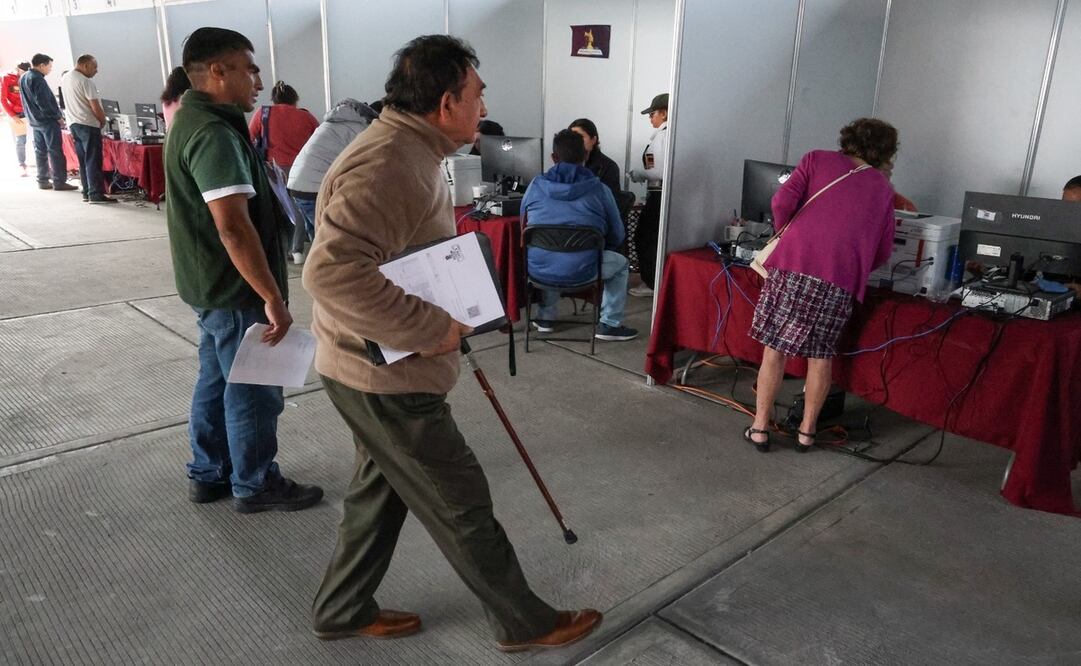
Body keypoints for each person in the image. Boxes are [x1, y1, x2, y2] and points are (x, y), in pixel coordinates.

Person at [303, 34, 601, 650]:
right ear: (445, 103)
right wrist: (432, 327)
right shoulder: (390, 163)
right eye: (477, 92)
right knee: (459, 499)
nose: (483, 104)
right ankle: (525, 622)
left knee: (379, 492)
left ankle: (342, 608)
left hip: (366, 367)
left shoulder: (405, 148)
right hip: (383, 376)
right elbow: (331, 273)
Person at [164, 27, 323, 513]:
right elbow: (232, 226)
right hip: (235, 288)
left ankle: (209, 472)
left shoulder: (195, 119)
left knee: (216, 379)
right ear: (218, 71)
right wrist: (272, 296)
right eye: (248, 68)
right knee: (254, 389)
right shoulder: (213, 133)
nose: (258, 79)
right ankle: (254, 483)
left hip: (208, 283)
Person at [745, 118, 898, 453]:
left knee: (774, 351)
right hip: (839, 280)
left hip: (793, 265)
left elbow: (781, 203)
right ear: (886, 152)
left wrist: (794, 236)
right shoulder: (883, 189)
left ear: (847, 139)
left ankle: (759, 428)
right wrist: (850, 263)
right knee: (821, 356)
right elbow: (884, 249)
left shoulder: (817, 159)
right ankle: (807, 432)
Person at [521, 129, 638, 342]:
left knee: (549, 253)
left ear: (553, 157)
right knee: (620, 264)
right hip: (585, 270)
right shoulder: (600, 190)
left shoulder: (535, 186)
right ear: (585, 155)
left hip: (537, 270)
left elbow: (524, 224)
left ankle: (546, 317)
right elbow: (618, 233)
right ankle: (609, 324)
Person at [286, 98, 378, 262]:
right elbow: (369, 164)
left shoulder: (335, 121)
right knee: (330, 242)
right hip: (314, 187)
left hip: (297, 183)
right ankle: (327, 276)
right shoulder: (362, 129)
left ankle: (319, 270)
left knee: (317, 236)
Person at [627, 93, 668, 297]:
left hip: (660, 195)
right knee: (646, 237)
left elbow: (660, 172)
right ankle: (651, 280)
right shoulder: (659, 136)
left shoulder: (663, 135)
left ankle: (652, 283)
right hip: (655, 192)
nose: (650, 118)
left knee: (646, 238)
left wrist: (638, 173)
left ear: (665, 113)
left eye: (652, 114)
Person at [61, 55, 116, 204]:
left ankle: (86, 192)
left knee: (83, 160)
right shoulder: (86, 81)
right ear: (84, 65)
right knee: (93, 160)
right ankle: (96, 194)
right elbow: (95, 105)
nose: (96, 71)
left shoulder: (66, 78)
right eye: (94, 67)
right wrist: (102, 120)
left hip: (74, 124)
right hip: (88, 124)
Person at [20, 54, 76, 192]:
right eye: (49, 66)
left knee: (40, 151)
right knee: (55, 151)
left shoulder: (23, 77)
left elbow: (25, 101)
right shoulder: (38, 79)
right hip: (47, 121)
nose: (50, 69)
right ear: (41, 65)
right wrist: (58, 117)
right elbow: (44, 102)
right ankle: (59, 181)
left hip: (34, 121)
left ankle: (43, 180)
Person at [247, 80, 319, 174]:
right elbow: (321, 140)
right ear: (295, 99)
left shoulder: (263, 113)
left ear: (274, 100)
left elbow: (248, 138)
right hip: (301, 170)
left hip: (272, 171)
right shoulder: (307, 117)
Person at [568, 118, 620, 201]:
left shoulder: (608, 167)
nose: (576, 141)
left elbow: (610, 202)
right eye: (573, 137)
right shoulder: (566, 164)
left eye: (581, 137)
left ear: (593, 140)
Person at [2, 62, 30, 176]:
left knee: (36, 139)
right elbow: (3, 99)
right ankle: (22, 165)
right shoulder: (7, 78)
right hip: (17, 113)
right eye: (23, 72)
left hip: (31, 112)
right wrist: (12, 115)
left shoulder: (29, 76)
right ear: (18, 69)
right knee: (20, 140)